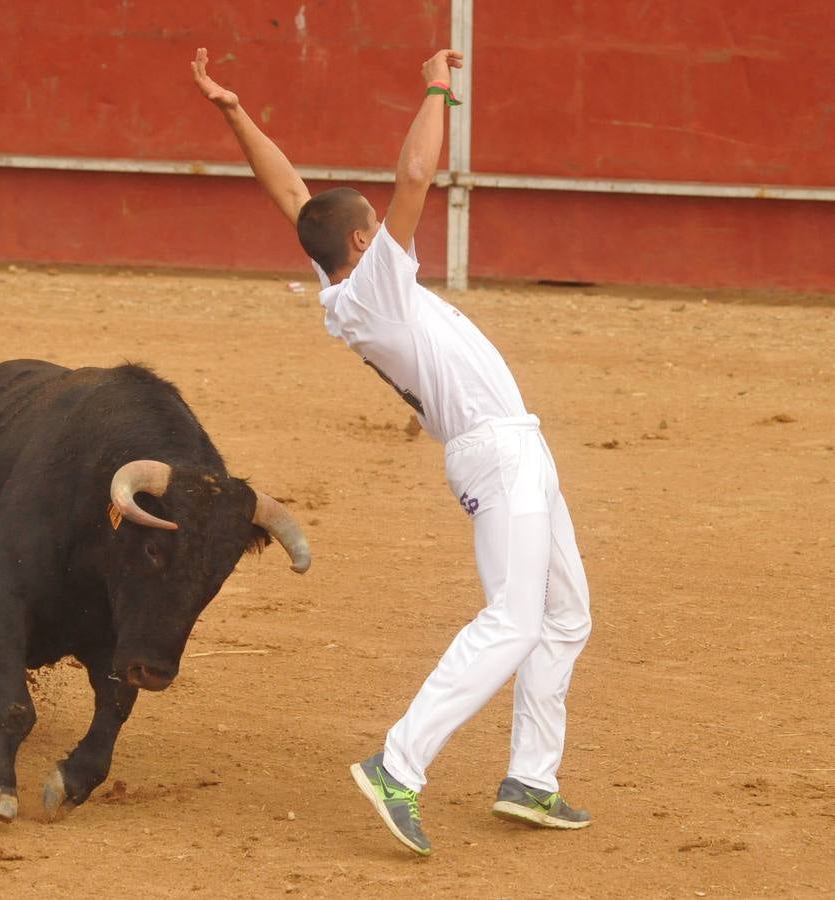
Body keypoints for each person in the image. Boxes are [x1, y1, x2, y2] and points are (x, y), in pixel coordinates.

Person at [191, 46, 592, 857]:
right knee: (513, 620)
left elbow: (295, 196)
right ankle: (398, 765)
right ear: (367, 240)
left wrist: (235, 114)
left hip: (516, 447)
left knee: (564, 616)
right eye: (376, 226)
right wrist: (437, 88)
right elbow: (414, 177)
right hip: (496, 454)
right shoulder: (374, 289)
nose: (388, 228)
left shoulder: (353, 282)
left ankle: (530, 779)